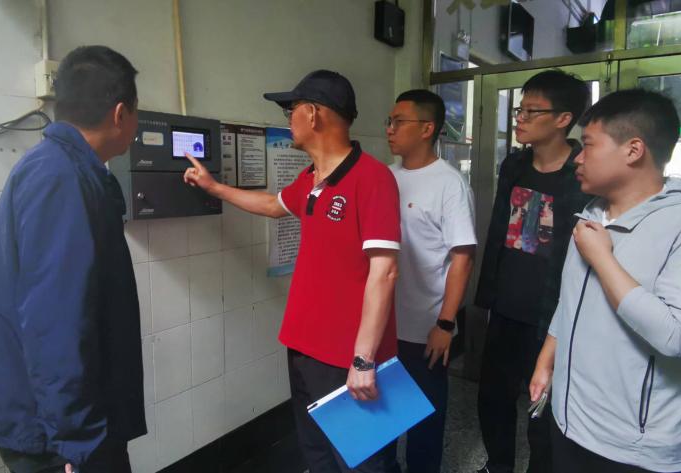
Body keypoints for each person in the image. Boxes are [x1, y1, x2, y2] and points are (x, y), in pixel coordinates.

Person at [182, 70, 401, 473]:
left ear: (313, 114)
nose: (288, 120)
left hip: (347, 355)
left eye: (291, 110)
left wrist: (363, 360)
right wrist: (214, 188)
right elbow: (272, 205)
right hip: (304, 347)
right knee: (316, 452)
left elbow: (384, 271)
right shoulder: (310, 179)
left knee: (364, 462)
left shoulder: (373, 178)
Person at [0, 45, 146, 473]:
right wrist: (75, 441)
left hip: (62, 421)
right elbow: (55, 321)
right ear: (121, 114)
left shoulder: (66, 169)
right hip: (56, 434)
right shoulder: (61, 178)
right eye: (137, 113)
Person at [530, 89, 681, 473]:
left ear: (633, 150)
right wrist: (547, 359)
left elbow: (677, 336)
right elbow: (570, 301)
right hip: (570, 423)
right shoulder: (591, 215)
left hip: (639, 449)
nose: (578, 157)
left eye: (589, 145)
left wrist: (603, 259)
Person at [473, 70, 592, 473]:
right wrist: (487, 296)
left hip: (553, 315)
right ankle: (498, 465)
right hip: (506, 306)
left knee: (544, 407)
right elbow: (497, 233)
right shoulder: (515, 164)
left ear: (563, 119)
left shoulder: (583, 172)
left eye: (531, 111)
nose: (520, 118)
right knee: (493, 397)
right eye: (520, 109)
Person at [385, 89, 476, 473]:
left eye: (398, 121)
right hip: (385, 325)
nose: (390, 129)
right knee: (384, 416)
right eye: (389, 121)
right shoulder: (386, 177)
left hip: (427, 329)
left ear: (427, 128)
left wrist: (445, 324)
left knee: (425, 420)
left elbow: (462, 258)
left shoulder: (449, 184)